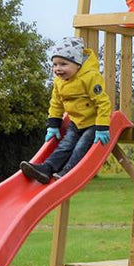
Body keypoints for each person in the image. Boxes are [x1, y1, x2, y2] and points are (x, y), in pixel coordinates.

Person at [20, 36, 112, 184]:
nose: (58, 69)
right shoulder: (59, 82)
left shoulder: (90, 77)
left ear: (78, 64)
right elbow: (56, 103)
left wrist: (102, 127)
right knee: (65, 146)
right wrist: (53, 125)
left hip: (93, 123)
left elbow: (103, 103)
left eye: (63, 64)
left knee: (80, 147)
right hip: (76, 122)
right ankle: (46, 169)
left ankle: (68, 171)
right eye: (55, 64)